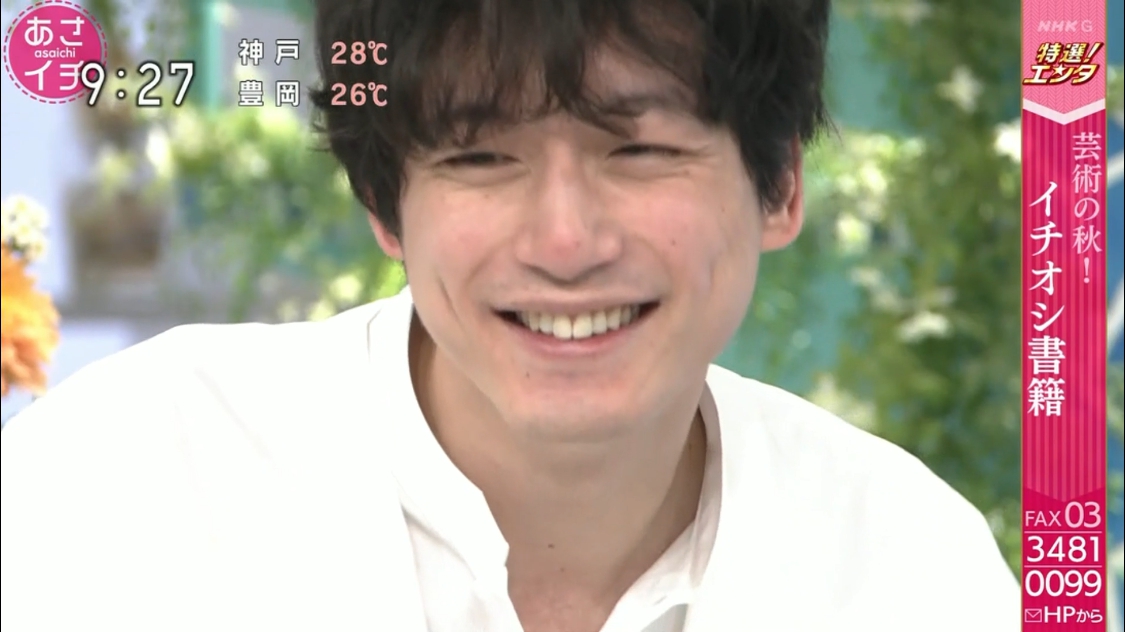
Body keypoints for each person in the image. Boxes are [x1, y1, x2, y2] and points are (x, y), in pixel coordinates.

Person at [0, 0, 1019, 630]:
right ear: (384, 205)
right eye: (481, 156)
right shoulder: (128, 477)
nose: (565, 241)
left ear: (780, 185)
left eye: (639, 149)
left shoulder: (907, 566)